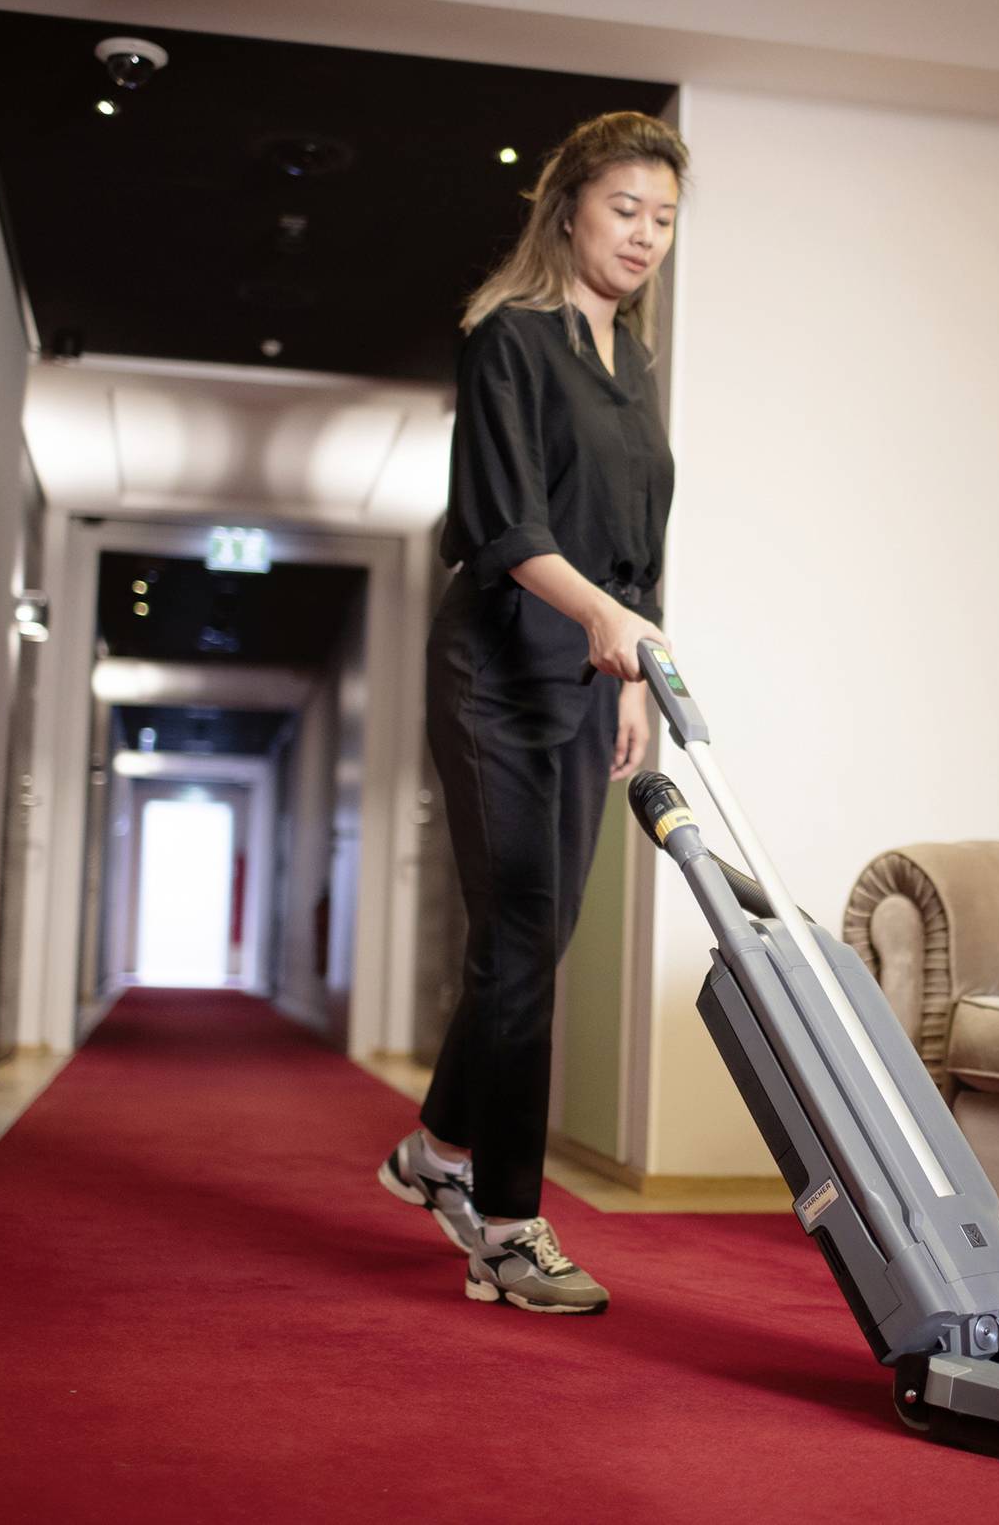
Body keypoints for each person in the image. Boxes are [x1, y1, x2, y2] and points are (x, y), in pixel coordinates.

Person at [378, 112, 686, 1314]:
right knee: (519, 947)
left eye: (663, 221)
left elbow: (637, 552)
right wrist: (599, 619)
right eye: (625, 210)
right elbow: (507, 527)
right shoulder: (510, 340)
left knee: (535, 944)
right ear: (567, 208)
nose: (645, 237)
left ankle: (436, 1148)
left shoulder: (637, 366)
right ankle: (506, 1225)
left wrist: (631, 679)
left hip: (586, 678)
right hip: (497, 667)